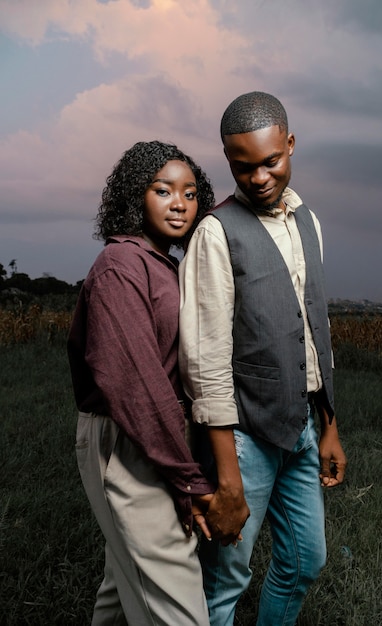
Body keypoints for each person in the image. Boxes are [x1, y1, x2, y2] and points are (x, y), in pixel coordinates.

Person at [179, 92, 347, 626]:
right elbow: (205, 364)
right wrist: (227, 476)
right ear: (228, 161)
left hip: (300, 429)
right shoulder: (215, 231)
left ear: (290, 144)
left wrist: (329, 427)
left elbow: (315, 334)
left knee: (305, 561)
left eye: (270, 161)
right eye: (242, 166)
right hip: (245, 438)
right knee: (225, 579)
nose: (258, 177)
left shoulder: (310, 223)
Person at [67, 140, 216, 626]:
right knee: (178, 607)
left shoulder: (160, 264)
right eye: (163, 190)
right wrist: (188, 478)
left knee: (122, 585)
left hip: (151, 434)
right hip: (130, 437)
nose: (180, 203)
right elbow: (136, 385)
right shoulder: (121, 266)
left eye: (191, 193)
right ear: (136, 196)